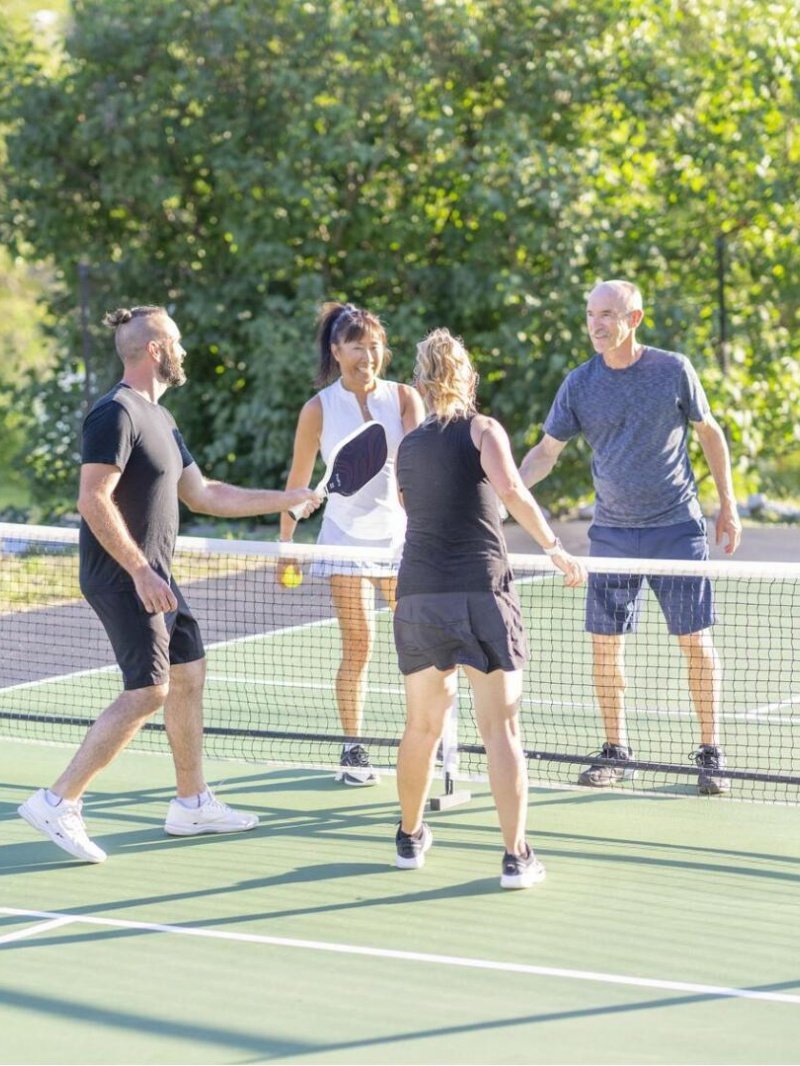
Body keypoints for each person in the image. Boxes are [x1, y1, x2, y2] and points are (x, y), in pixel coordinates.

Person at [18, 305, 320, 863]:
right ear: (155, 349)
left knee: (188, 674)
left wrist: (288, 499)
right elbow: (92, 499)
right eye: (176, 342)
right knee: (150, 689)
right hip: (125, 576)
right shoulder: (115, 413)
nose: (183, 350)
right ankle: (57, 801)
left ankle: (191, 802)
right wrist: (138, 570)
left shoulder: (162, 419)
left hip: (157, 576)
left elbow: (205, 495)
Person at [520, 279, 742, 795]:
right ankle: (616, 749)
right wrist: (497, 486)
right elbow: (545, 454)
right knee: (605, 647)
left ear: (634, 319)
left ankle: (711, 751)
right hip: (613, 536)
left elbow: (709, 432)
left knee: (695, 643)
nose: (596, 324)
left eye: (607, 314)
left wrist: (727, 505)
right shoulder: (579, 383)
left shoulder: (673, 370)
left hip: (676, 530)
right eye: (590, 314)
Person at [392, 328, 586, 889]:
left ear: (423, 381)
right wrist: (554, 547)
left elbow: (414, 507)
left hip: (419, 596)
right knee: (500, 731)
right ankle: (515, 856)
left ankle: (409, 838)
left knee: (421, 728)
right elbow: (512, 492)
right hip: (481, 593)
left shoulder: (406, 446)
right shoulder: (483, 429)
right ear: (467, 377)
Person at [279, 302, 425, 785]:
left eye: (375, 345)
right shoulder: (318, 409)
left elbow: (421, 472)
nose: (368, 355)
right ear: (337, 350)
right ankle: (353, 748)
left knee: (418, 644)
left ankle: (421, 739)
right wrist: (286, 544)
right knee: (359, 645)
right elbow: (299, 482)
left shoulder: (404, 398)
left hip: (400, 541)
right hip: (343, 541)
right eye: (357, 346)